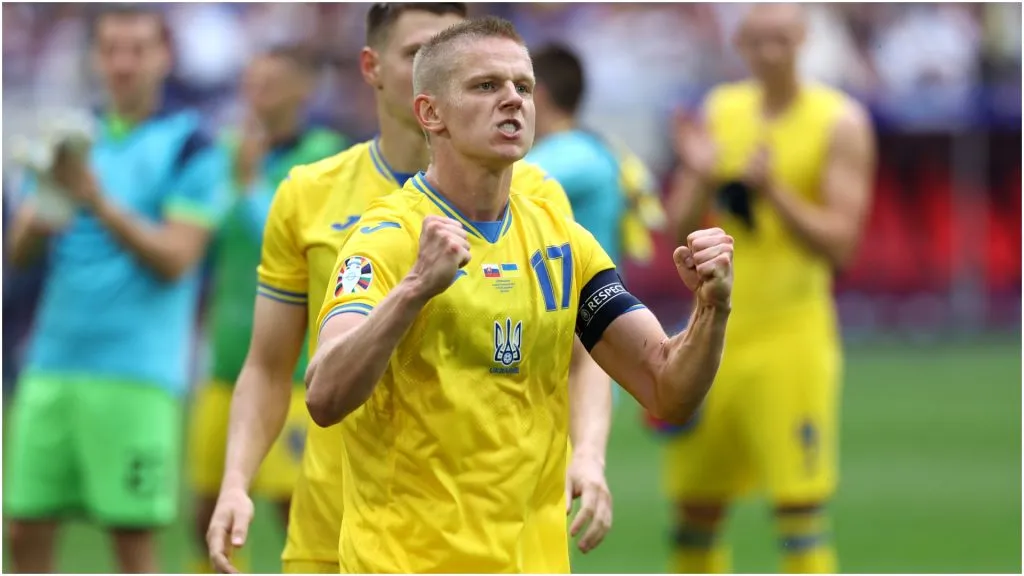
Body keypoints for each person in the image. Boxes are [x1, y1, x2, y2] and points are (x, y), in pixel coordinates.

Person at [305, 16, 734, 573]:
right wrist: (414, 289)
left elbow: (664, 386)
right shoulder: (388, 238)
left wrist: (713, 308)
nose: (511, 99)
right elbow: (324, 393)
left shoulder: (561, 240)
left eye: (523, 87)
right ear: (430, 113)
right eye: (486, 86)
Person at [205, 4, 613, 574]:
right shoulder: (308, 195)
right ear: (372, 67)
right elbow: (270, 366)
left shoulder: (538, 196)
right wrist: (235, 482)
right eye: (420, 52)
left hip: (491, 541)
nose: (443, 64)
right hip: (337, 530)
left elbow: (581, 350)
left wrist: (589, 454)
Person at [4, 6, 229, 573]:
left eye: (137, 50)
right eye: (111, 50)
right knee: (24, 528)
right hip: (52, 363)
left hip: (137, 373)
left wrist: (96, 200)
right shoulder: (71, 137)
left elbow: (178, 259)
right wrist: (46, 203)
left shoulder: (191, 147)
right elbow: (20, 252)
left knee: (132, 543)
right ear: (95, 58)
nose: (123, 64)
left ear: (164, 58)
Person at [661, 4, 876, 573]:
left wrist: (775, 190)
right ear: (741, 45)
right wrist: (702, 174)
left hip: (791, 339)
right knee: (694, 510)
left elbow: (843, 245)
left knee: (798, 510)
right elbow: (678, 223)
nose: (768, 54)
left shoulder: (838, 121)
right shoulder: (723, 110)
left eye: (780, 41)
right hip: (713, 337)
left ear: (802, 40)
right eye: (756, 42)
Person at [188, 45, 349, 574]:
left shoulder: (326, 156)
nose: (258, 95)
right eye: (252, 83)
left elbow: (281, 240)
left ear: (304, 89)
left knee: (294, 513)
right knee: (206, 511)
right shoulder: (230, 153)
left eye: (273, 83)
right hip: (226, 362)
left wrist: (250, 184)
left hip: (295, 370)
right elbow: (204, 238)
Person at [528, 42, 666, 269]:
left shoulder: (571, 154)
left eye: (520, 88)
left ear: (539, 95)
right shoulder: (596, 147)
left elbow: (494, 190)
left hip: (583, 299)